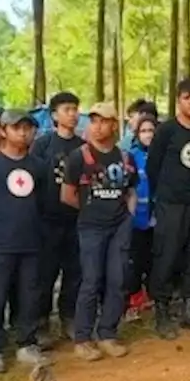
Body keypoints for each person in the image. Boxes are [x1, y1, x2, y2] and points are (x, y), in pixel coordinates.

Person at [0, 109, 47, 374]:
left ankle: (27, 343)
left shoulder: (38, 165)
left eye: (28, 128)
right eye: (16, 128)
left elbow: (45, 203)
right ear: (3, 130)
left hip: (31, 244)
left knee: (29, 296)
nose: (23, 133)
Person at [64, 103, 138, 360]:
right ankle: (83, 338)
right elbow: (68, 195)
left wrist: (127, 216)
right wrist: (89, 212)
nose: (97, 126)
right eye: (93, 121)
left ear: (114, 125)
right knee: (91, 281)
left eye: (103, 121)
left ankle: (108, 333)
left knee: (117, 280)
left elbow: (130, 190)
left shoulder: (125, 158)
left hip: (119, 227)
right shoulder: (78, 157)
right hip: (91, 228)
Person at [147, 78, 190, 339]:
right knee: (167, 255)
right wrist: (164, 194)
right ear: (178, 100)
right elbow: (153, 165)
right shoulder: (167, 130)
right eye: (186, 97)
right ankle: (162, 311)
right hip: (171, 203)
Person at [31, 91, 84, 339]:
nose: (72, 114)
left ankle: (69, 318)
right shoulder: (43, 145)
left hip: (75, 219)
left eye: (74, 109)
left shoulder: (82, 146)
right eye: (66, 110)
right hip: (47, 220)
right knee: (46, 273)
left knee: (74, 271)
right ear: (54, 115)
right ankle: (41, 323)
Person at [126, 114, 157, 319]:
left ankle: (155, 297)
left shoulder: (163, 155)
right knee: (135, 260)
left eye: (151, 131)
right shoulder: (130, 155)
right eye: (143, 131)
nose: (147, 135)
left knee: (155, 259)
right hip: (136, 217)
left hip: (158, 217)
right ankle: (133, 301)